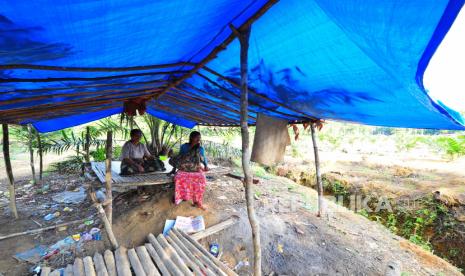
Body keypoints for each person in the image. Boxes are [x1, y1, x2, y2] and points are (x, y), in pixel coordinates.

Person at [170, 131, 209, 210]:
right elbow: (179, 158)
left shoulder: (200, 148)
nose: (198, 139)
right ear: (191, 137)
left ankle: (196, 200)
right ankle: (181, 196)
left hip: (195, 168)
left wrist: (206, 165)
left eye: (199, 137)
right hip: (184, 168)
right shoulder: (184, 146)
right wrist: (174, 169)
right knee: (178, 178)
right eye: (197, 137)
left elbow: (204, 158)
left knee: (202, 179)